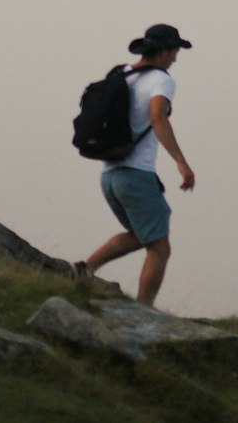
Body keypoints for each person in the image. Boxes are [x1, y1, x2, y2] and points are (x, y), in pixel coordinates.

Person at [80, 23, 195, 307]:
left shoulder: (123, 74)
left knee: (141, 235)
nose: (175, 59)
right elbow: (158, 116)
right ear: (163, 51)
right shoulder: (162, 80)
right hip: (136, 174)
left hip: (110, 175)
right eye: (174, 51)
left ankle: (82, 271)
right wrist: (182, 163)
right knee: (159, 247)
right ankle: (145, 310)